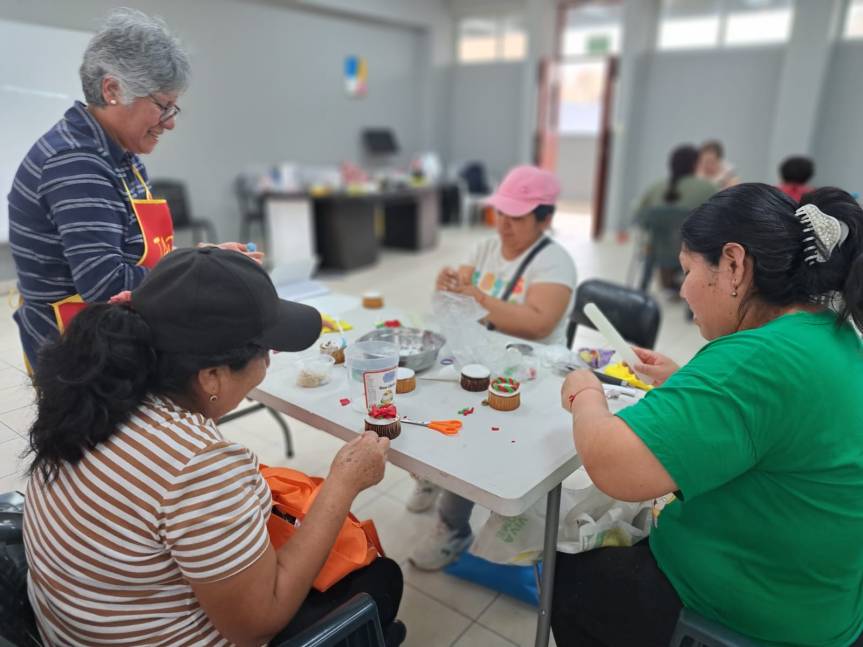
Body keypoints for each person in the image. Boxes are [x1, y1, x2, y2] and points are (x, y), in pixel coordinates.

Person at [23, 247, 406, 646]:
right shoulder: (197, 463)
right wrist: (342, 483)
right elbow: (257, 624)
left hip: (73, 630)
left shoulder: (92, 394)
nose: (268, 365)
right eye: (264, 352)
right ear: (211, 377)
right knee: (381, 579)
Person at [552, 184, 863, 646]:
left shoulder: (757, 360)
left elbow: (613, 466)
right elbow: (771, 421)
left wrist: (585, 393)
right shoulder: (829, 333)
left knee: (570, 580)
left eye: (687, 270)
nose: (683, 289)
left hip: (764, 614)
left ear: (734, 265)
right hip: (822, 600)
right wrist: (682, 379)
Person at [7, 9, 257, 370]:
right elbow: (105, 281)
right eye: (161, 106)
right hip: (81, 356)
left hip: (116, 330)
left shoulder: (119, 153)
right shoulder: (77, 163)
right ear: (112, 90)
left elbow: (137, 254)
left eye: (174, 108)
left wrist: (204, 256)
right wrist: (200, 272)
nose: (169, 123)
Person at [406, 165, 577, 568]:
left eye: (516, 218)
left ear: (545, 219)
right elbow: (456, 299)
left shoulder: (555, 262)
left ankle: (452, 526)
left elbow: (538, 323)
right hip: (480, 354)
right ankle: (429, 477)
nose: (504, 224)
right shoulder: (484, 248)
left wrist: (478, 297)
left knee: (474, 435)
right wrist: (447, 285)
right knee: (423, 403)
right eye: (501, 213)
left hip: (529, 370)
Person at [634, 145, 716, 291]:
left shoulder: (655, 188)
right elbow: (718, 220)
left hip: (656, 251)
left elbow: (638, 217)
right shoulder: (708, 189)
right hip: (692, 252)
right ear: (695, 165)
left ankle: (667, 283)